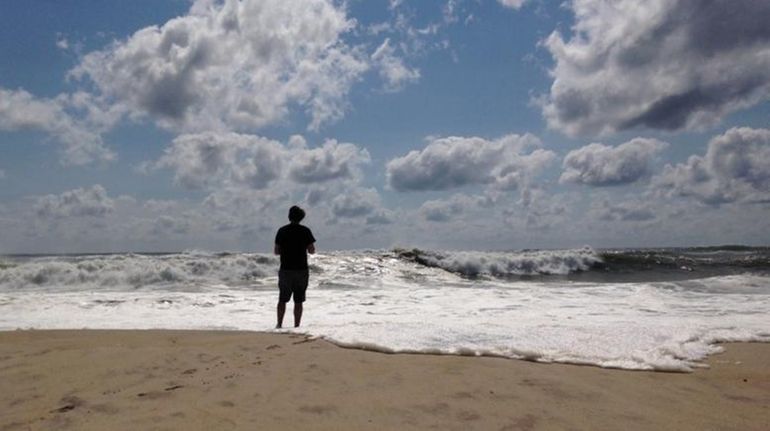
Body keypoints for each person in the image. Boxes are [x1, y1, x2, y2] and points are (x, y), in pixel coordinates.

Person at [274, 205, 316, 328]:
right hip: (301, 269)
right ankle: (296, 326)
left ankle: (279, 324)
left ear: (289, 216)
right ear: (301, 218)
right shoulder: (305, 231)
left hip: (286, 269)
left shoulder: (282, 230)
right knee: (299, 300)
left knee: (282, 299)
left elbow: (276, 251)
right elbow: (312, 250)